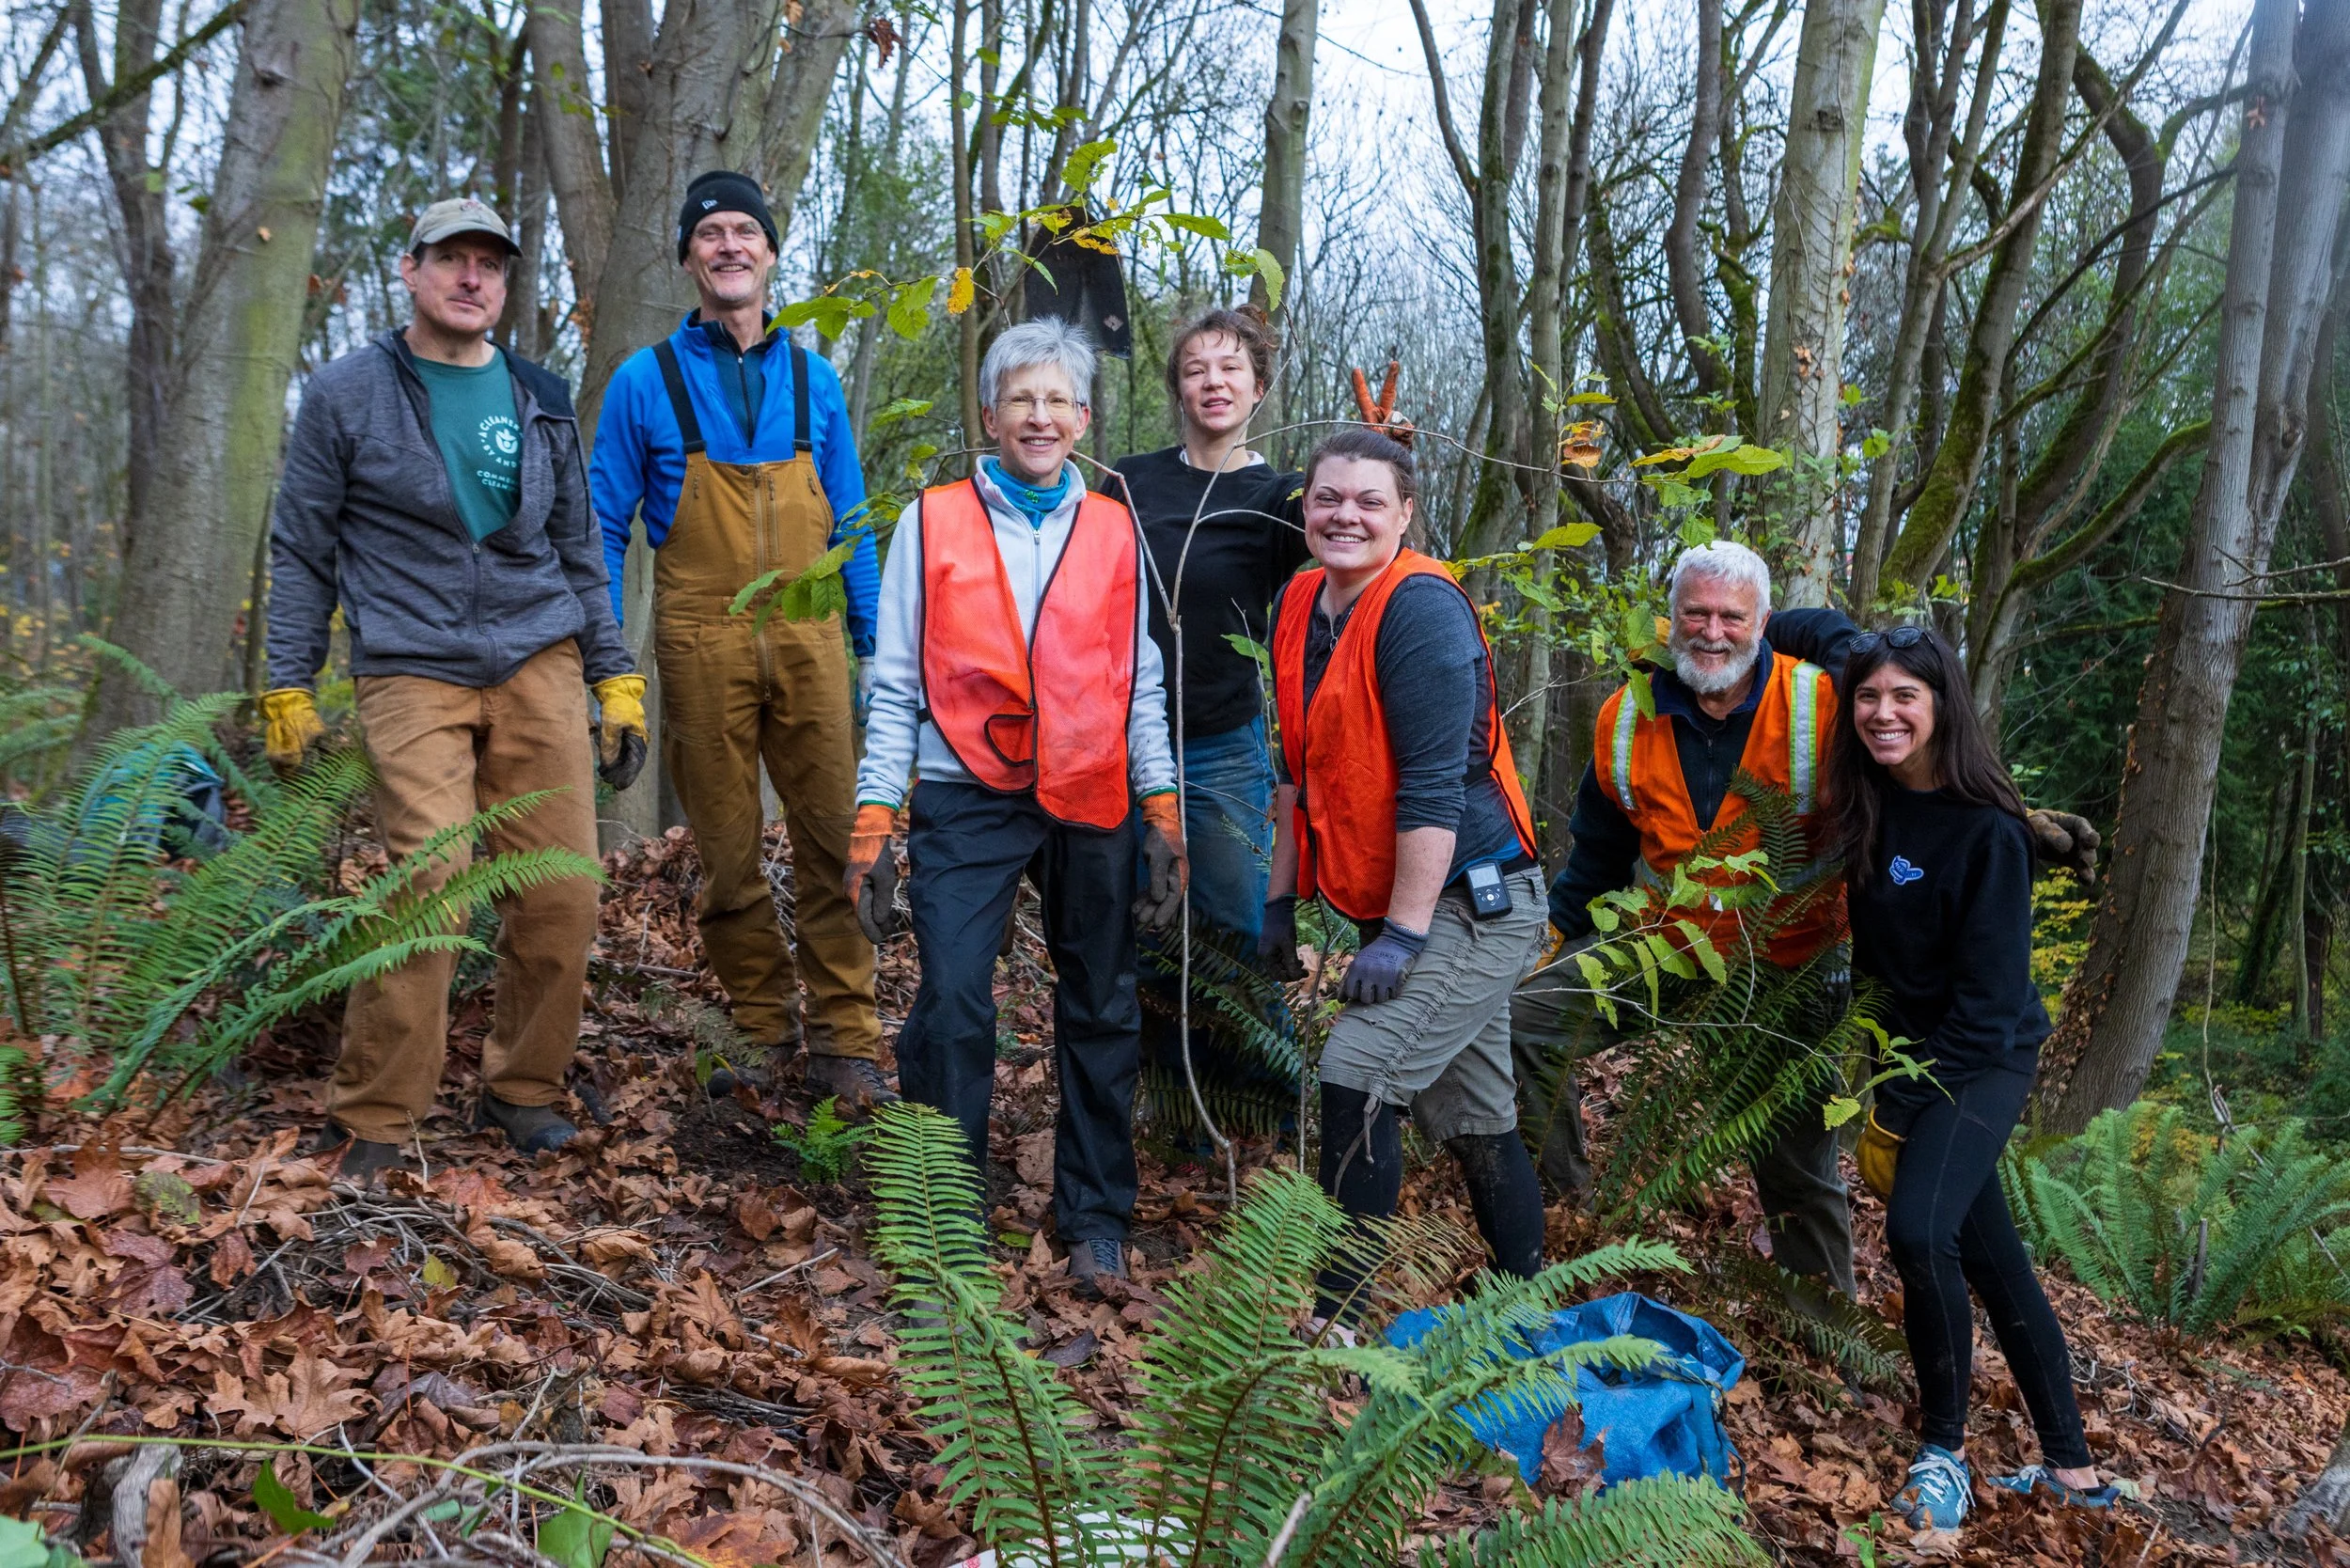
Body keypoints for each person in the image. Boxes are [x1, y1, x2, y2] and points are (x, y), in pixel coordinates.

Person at [263, 197, 644, 1180]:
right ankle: (378, 1115)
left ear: (506, 285)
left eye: (491, 265)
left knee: (561, 891)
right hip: (408, 662)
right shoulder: (346, 393)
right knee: (427, 883)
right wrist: (287, 686)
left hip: (536, 656)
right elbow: (303, 548)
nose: (471, 278)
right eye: (451, 260)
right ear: (411, 269)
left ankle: (522, 1089)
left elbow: (576, 549)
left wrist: (616, 673)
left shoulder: (542, 394)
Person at [846, 319, 1186, 1288]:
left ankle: (1095, 1219)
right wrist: (874, 824)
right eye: (1019, 399)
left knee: (1103, 1003)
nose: (1038, 416)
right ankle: (942, 1212)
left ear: (1083, 418)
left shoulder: (1119, 529)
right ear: (988, 413)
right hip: (964, 785)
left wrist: (1160, 814)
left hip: (1089, 792)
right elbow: (896, 679)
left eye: (1057, 400)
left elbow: (1140, 682)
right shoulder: (933, 519)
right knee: (952, 998)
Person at [589, 170, 893, 1109]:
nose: (728, 247)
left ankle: (846, 1036)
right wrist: (612, 675)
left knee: (835, 840)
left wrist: (880, 652)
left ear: (768, 252)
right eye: (709, 233)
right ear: (687, 257)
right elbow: (600, 523)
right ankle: (760, 1026)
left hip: (810, 641)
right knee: (723, 849)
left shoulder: (815, 378)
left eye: (743, 232)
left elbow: (850, 522)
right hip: (698, 641)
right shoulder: (644, 382)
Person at [1511, 540, 1859, 1298]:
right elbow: (1598, 853)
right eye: (1694, 613)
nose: (1712, 631)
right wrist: (1556, 938)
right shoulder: (1624, 716)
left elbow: (1898, 816)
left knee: (1797, 1161)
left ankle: (1829, 1331)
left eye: (1731, 616)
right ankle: (1574, 1223)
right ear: (1669, 623)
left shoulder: (1822, 706)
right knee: (1529, 1019)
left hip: (1788, 967)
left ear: (1763, 621)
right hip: (1670, 946)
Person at [1828, 625, 2116, 1530]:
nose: (1883, 712)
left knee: (1919, 1234)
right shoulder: (1867, 801)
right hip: (1909, 1058)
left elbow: (1990, 1006)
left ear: (1942, 706)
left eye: (1904, 697)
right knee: (1991, 1256)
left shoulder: (1989, 832)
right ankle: (2070, 1465)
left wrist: (1899, 1108)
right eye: (1869, 696)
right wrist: (1755, 626)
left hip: (1981, 1060)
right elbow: (1807, 632)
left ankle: (1942, 1449)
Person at [1259, 427, 1549, 1315]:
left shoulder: (1420, 611)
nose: (1346, 515)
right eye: (1328, 498)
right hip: (1409, 906)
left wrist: (1403, 936)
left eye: (1369, 501)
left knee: (1358, 1071)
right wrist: (1279, 900)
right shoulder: (1302, 601)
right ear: (1304, 507)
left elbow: (1432, 790)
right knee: (1478, 1117)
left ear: (1406, 513)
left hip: (1472, 902)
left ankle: (1336, 1319)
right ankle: (1523, 1313)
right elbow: (1298, 773)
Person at [1105, 308, 1308, 1112]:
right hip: (1123, 741)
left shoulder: (1280, 494)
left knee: (1227, 933)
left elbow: (1350, 564)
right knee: (1146, 930)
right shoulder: (1126, 480)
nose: (1213, 383)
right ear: (1177, 389)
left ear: (1258, 388)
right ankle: (1168, 1105)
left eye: (1231, 369)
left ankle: (1270, 1110)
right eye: (1196, 369)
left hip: (1222, 743)